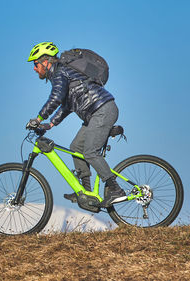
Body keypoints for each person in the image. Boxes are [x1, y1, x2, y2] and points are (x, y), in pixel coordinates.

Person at [25, 42, 126, 207]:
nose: (35, 69)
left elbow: (56, 98)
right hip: (94, 114)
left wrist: (38, 118)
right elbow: (67, 105)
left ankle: (115, 189)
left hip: (102, 110)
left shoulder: (60, 72)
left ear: (45, 62)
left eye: (35, 64)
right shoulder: (61, 75)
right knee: (76, 146)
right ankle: (85, 191)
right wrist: (50, 124)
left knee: (90, 152)